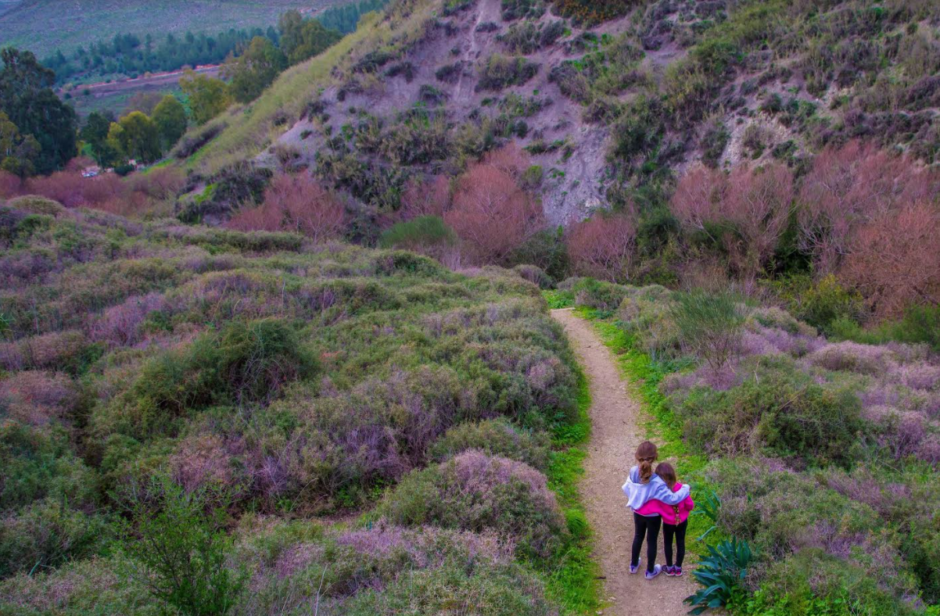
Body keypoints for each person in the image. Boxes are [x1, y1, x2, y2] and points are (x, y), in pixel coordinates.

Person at [622, 441, 690, 580]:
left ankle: (633, 565)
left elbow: (627, 487)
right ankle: (650, 571)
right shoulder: (658, 481)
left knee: (638, 536)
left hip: (638, 512)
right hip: (653, 516)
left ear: (637, 456)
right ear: (654, 457)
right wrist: (685, 489)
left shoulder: (633, 472)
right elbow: (672, 499)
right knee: (651, 541)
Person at [635, 462, 694, 577]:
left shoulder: (660, 493)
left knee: (668, 543)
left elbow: (656, 508)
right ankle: (678, 568)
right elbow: (690, 505)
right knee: (680, 542)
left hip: (668, 523)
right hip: (682, 521)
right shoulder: (682, 489)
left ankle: (670, 568)